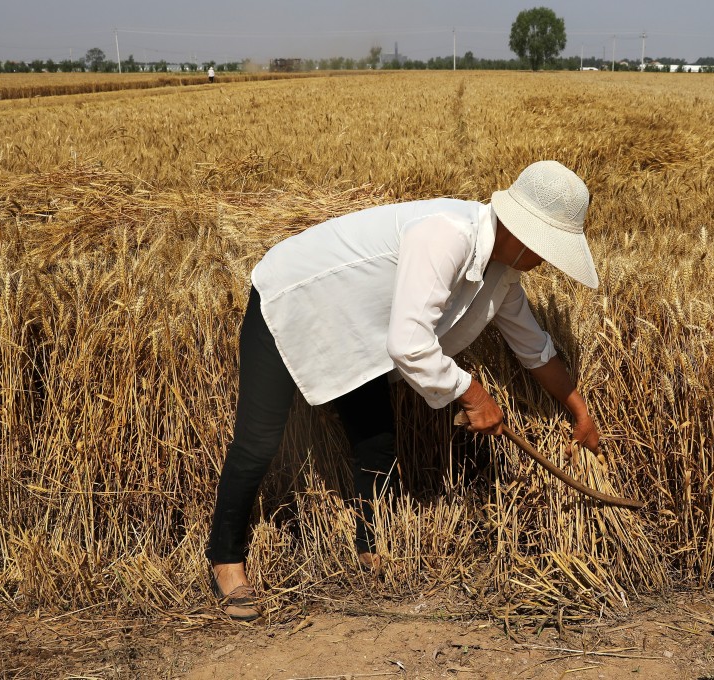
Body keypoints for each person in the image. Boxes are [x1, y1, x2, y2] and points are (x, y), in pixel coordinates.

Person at [207, 160, 603, 620]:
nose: (548, 261)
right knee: (259, 441)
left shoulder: (502, 275)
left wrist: (580, 412)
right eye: (549, 248)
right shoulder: (446, 234)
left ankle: (369, 548)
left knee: (377, 441)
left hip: (358, 326)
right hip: (294, 299)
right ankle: (225, 559)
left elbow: (534, 349)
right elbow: (409, 343)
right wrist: (473, 394)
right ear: (523, 234)